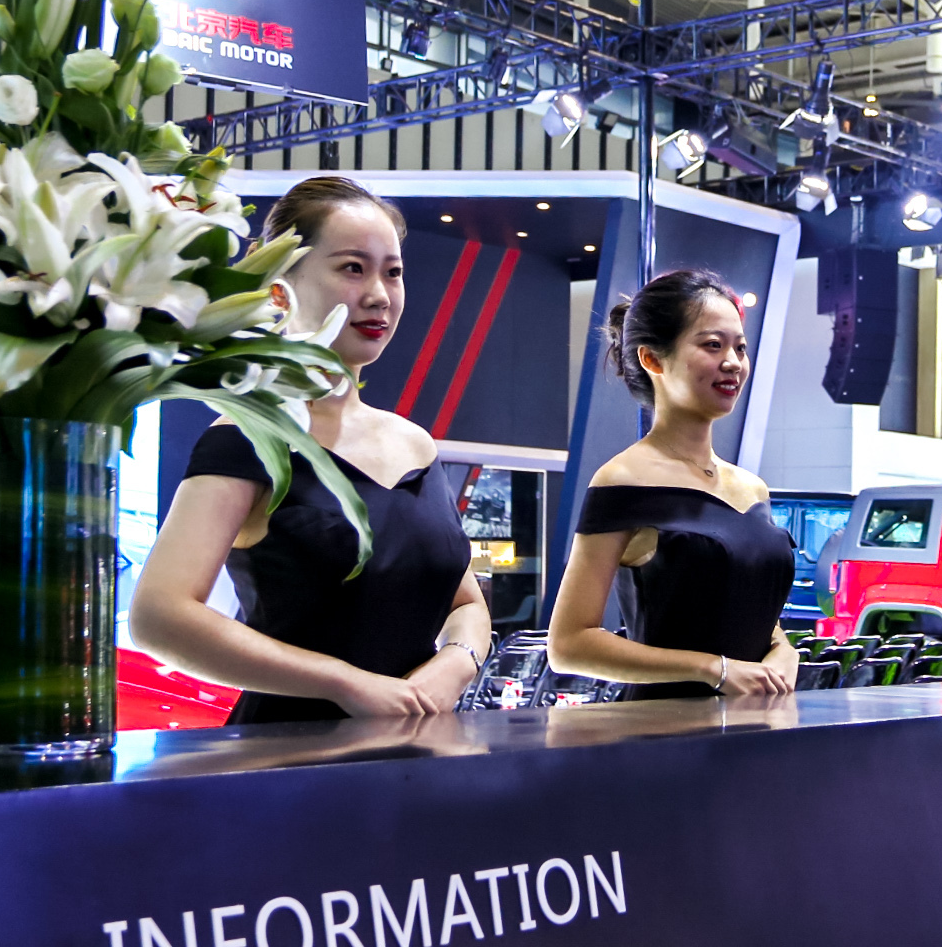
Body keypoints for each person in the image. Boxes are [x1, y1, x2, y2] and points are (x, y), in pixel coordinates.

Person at [132, 177, 491, 723]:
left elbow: (464, 602)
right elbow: (159, 616)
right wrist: (344, 682)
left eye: (393, 272)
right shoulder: (250, 435)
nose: (379, 294)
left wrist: (457, 662)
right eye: (353, 268)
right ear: (281, 286)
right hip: (291, 755)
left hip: (416, 748)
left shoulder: (414, 444)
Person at [546, 269, 801, 700]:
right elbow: (569, 644)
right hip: (664, 728)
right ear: (652, 359)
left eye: (740, 347)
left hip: (758, 722)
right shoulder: (622, 481)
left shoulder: (752, 489)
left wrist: (784, 651)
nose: (733, 362)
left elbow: (748, 609)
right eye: (712, 345)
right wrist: (713, 669)